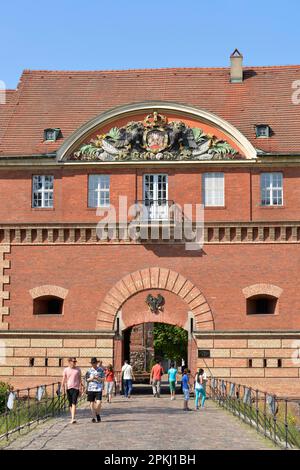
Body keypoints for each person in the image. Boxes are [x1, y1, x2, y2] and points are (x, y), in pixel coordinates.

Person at [61, 357, 83, 424]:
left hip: (76, 388)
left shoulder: (78, 369)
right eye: (73, 361)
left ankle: (73, 418)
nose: (74, 363)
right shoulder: (66, 370)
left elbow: (80, 379)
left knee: (74, 403)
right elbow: (64, 378)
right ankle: (72, 417)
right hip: (68, 388)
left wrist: (81, 388)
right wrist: (62, 387)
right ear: (69, 362)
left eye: (75, 362)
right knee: (70, 404)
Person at [85, 357, 105, 422]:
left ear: (96, 363)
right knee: (91, 403)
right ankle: (93, 417)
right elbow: (86, 379)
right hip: (90, 388)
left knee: (99, 403)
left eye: (95, 363)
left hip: (98, 388)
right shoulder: (89, 371)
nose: (94, 364)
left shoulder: (101, 370)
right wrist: (92, 378)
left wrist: (98, 378)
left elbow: (103, 379)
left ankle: (97, 413)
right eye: (92, 363)